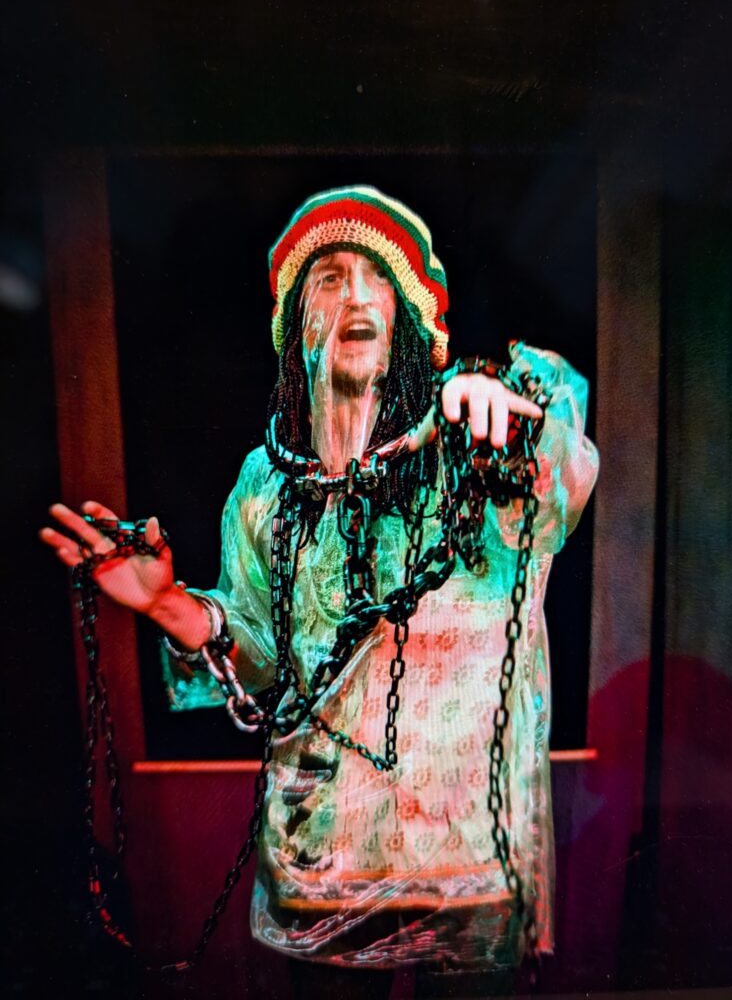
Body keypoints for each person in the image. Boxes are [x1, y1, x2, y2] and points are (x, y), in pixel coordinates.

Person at [41, 186, 599, 997]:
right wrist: (168, 604)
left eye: (378, 280)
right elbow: (262, 661)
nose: (356, 297)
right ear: (296, 327)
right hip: (326, 853)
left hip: (464, 854)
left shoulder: (468, 453)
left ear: (410, 319)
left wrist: (501, 409)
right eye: (330, 279)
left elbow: (557, 487)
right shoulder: (267, 487)